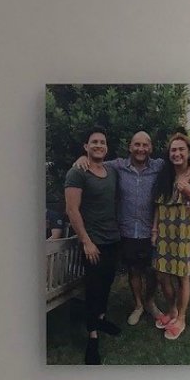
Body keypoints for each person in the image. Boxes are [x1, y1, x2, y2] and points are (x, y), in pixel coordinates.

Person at [71, 130, 167, 326]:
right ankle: (138, 305)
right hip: (127, 230)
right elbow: (95, 162)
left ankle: (150, 302)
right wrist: (82, 158)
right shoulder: (117, 166)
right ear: (130, 147)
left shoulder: (159, 166)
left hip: (152, 230)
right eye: (137, 144)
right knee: (133, 270)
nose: (141, 149)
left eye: (145, 145)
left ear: (151, 148)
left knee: (154, 271)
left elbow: (181, 165)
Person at [62, 126, 124, 364]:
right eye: (94, 142)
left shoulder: (111, 171)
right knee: (93, 288)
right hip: (93, 243)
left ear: (106, 147)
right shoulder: (77, 172)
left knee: (107, 284)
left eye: (102, 142)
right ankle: (92, 338)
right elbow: (72, 210)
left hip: (112, 239)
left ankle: (101, 319)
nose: (99, 145)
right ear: (86, 146)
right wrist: (86, 242)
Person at [152, 132, 190, 343]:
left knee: (183, 277)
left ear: (188, 152)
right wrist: (154, 230)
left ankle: (181, 318)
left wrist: (189, 193)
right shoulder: (165, 176)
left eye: (181, 149)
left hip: (185, 235)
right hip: (164, 235)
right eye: (173, 150)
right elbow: (158, 206)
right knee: (162, 275)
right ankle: (172, 310)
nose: (177, 153)